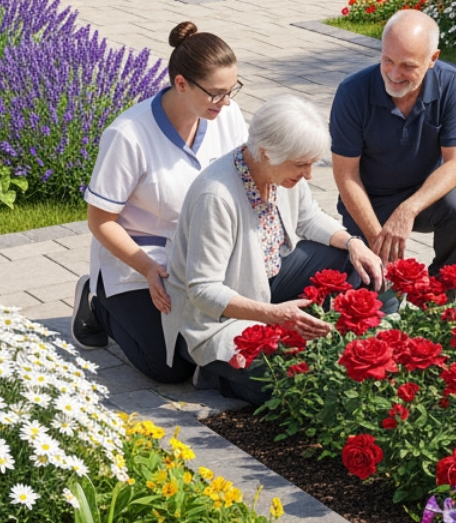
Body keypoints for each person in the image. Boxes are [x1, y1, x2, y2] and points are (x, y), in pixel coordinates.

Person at [162, 94, 384, 405]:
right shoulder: (216, 196)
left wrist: (354, 243)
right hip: (212, 321)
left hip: (264, 285)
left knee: (345, 260)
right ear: (266, 152)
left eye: (311, 163)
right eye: (301, 165)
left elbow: (309, 218)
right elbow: (202, 290)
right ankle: (214, 372)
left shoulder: (279, 171)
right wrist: (273, 316)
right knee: (290, 381)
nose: (308, 174)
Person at [71, 22, 248, 382]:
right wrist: (148, 269)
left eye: (231, 90)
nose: (226, 102)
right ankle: (97, 300)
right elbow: (100, 221)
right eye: (216, 93)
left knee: (209, 344)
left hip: (206, 253)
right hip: (143, 263)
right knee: (169, 368)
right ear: (181, 83)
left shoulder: (227, 116)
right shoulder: (128, 135)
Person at [330, 9, 456, 272]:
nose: (394, 73)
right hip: (369, 200)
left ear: (432, 59)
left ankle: (443, 288)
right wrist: (380, 245)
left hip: (423, 196)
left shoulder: (451, 83)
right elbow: (346, 176)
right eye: (388, 60)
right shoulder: (351, 92)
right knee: (375, 296)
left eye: (408, 65)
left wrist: (408, 210)